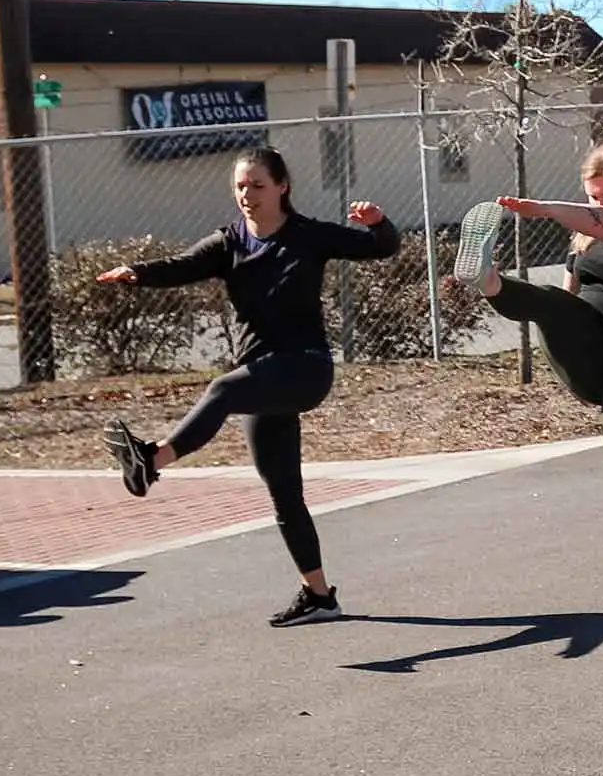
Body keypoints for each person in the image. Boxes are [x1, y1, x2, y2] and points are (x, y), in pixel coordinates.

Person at [98, 147, 399, 627]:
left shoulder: (309, 236)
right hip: (261, 381)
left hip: (303, 370)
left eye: (257, 185)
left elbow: (382, 247)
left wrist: (378, 222)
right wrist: (137, 273)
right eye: (240, 186)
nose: (247, 195)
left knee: (220, 391)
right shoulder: (228, 243)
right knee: (284, 494)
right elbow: (181, 265)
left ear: (282, 187)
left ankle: (151, 461)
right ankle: (319, 595)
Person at [452, 142, 603, 642]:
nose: (601, 203)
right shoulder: (584, 240)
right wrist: (567, 346)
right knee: (553, 306)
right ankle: (489, 279)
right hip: (593, 353)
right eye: (593, 195)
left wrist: (545, 210)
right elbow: (571, 295)